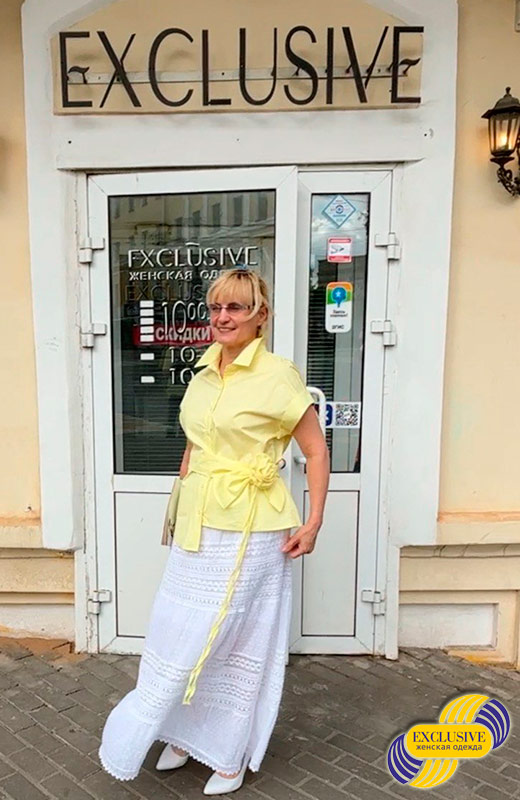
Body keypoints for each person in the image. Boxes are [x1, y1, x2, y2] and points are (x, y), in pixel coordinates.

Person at [98, 268, 330, 795]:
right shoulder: (204, 372)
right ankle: (184, 733)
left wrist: (314, 520)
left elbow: (315, 451)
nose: (222, 318)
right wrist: (180, 501)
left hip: (251, 525)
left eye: (236, 308)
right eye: (216, 307)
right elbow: (195, 443)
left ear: (260, 316)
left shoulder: (278, 375)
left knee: (234, 637)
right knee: (180, 631)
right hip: (198, 523)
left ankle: (228, 753)